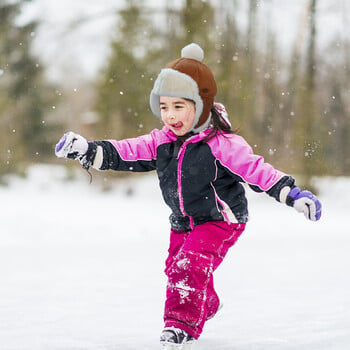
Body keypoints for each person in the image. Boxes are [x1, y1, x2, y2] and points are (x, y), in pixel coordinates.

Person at [55, 43, 322, 349]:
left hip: (221, 219)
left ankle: (179, 327)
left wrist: (293, 194)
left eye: (179, 106)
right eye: (164, 107)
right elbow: (127, 150)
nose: (170, 115)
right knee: (175, 269)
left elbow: (257, 171)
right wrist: (87, 150)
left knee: (189, 265)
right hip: (183, 220)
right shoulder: (162, 141)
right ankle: (205, 304)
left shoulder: (222, 143)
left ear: (201, 105)